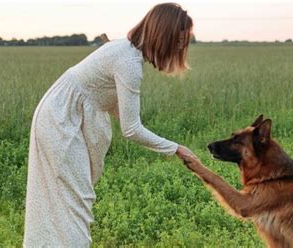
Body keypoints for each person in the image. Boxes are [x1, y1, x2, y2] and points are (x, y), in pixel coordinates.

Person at [23, 3, 196, 247]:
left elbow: (106, 101)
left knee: (70, 199)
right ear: (163, 35)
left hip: (67, 115)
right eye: (179, 40)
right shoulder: (128, 62)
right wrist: (176, 148)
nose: (182, 47)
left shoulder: (125, 53)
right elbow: (131, 129)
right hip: (61, 120)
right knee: (75, 203)